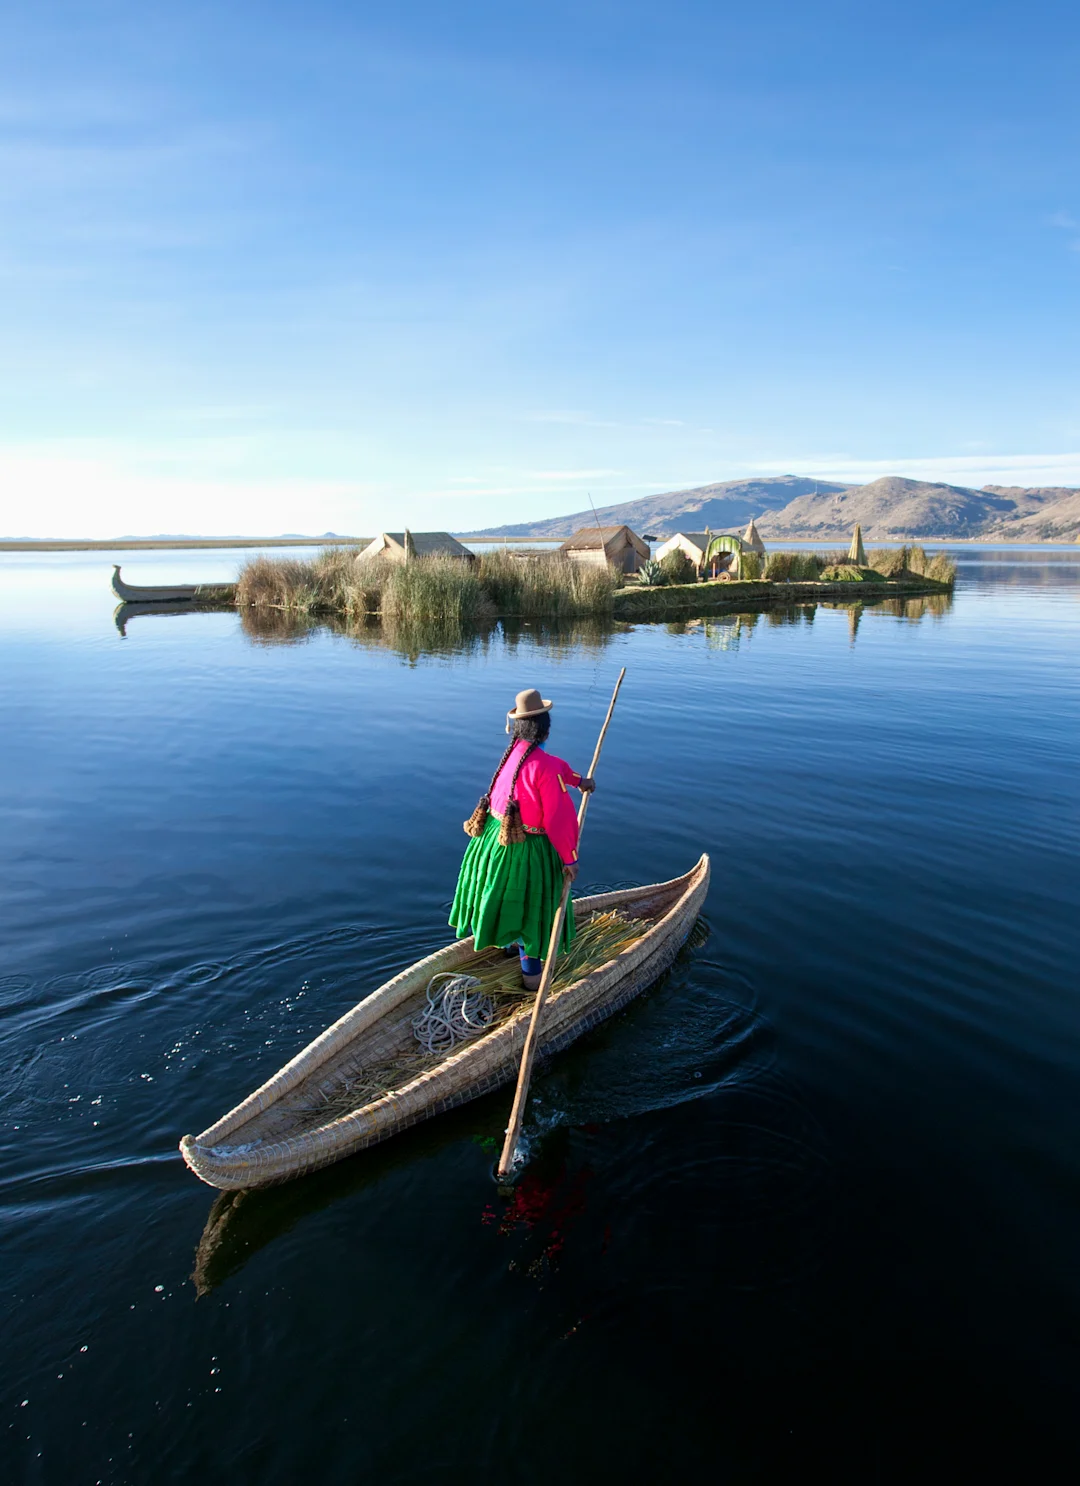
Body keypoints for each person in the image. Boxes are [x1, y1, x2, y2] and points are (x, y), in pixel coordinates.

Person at [450, 688, 595, 991]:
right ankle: (532, 984)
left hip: (494, 843)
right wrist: (570, 859)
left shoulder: (511, 756)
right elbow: (558, 819)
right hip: (527, 850)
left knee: (506, 900)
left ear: (517, 728)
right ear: (545, 729)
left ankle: (508, 945)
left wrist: (580, 782)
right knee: (533, 910)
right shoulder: (545, 765)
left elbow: (559, 771)